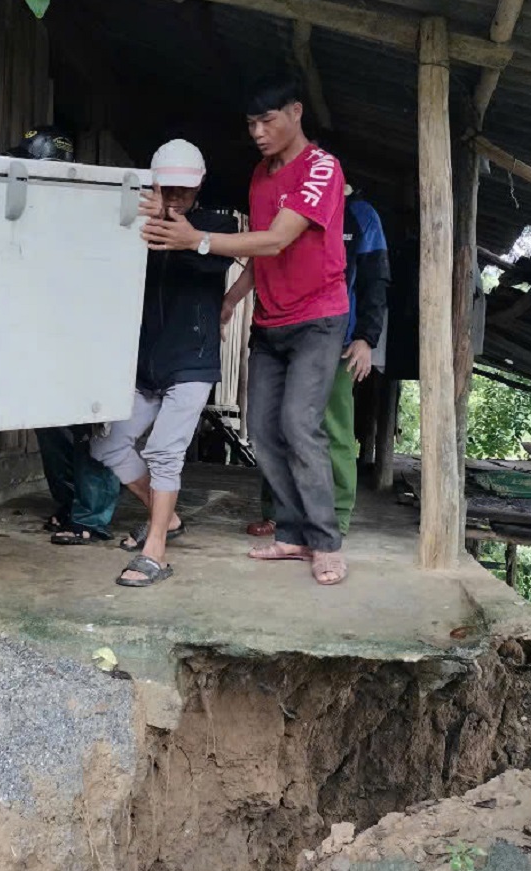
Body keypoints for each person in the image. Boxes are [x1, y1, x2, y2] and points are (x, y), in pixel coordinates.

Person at [141, 77, 350, 586]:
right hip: (270, 320)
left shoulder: (322, 169)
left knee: (300, 426)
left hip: (318, 317)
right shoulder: (260, 175)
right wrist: (233, 300)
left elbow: (278, 239)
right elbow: (260, 250)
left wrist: (198, 241)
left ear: (295, 112)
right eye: (251, 124)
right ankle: (293, 532)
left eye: (267, 120)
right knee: (262, 427)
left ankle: (325, 542)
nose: (258, 132)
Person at [92, 140, 235, 587]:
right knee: (106, 445)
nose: (175, 198)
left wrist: (172, 221)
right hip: (144, 364)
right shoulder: (133, 225)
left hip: (192, 363)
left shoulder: (216, 226)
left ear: (199, 188)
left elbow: (209, 263)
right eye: (166, 189)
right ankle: (166, 518)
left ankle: (154, 551)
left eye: (183, 191)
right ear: (152, 184)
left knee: (165, 453)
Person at [247, 187, 390, 538]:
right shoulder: (287, 208)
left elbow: (375, 279)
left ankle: (336, 517)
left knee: (333, 430)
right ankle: (277, 514)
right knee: (275, 427)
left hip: (336, 342)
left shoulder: (360, 214)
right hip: (281, 336)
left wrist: (366, 338)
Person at [8, 125, 122, 545]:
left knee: (88, 430)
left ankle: (91, 516)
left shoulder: (91, 209)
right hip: (47, 338)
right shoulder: (29, 211)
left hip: (85, 338)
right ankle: (69, 506)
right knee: (52, 427)